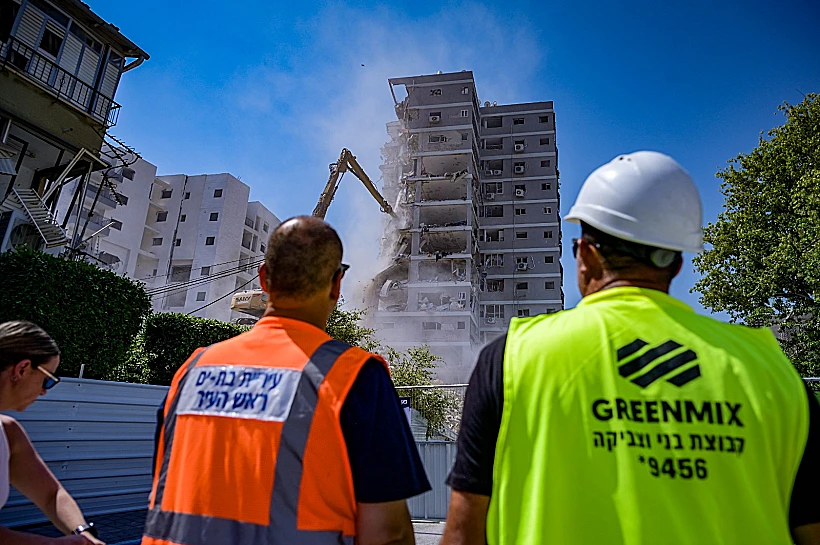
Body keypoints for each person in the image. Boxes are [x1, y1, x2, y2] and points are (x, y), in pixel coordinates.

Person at [441, 151, 820, 545]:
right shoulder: (775, 373)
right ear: (675, 265)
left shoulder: (512, 359)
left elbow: (463, 534)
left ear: (585, 254)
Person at [143, 216, 430, 545]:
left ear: (263, 278)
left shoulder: (192, 370)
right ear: (337, 284)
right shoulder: (357, 378)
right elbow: (387, 534)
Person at [0, 321, 105, 544]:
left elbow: (51, 496)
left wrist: (84, 535)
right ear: (22, 369)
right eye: (48, 380)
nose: (44, 392)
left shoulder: (8, 433)